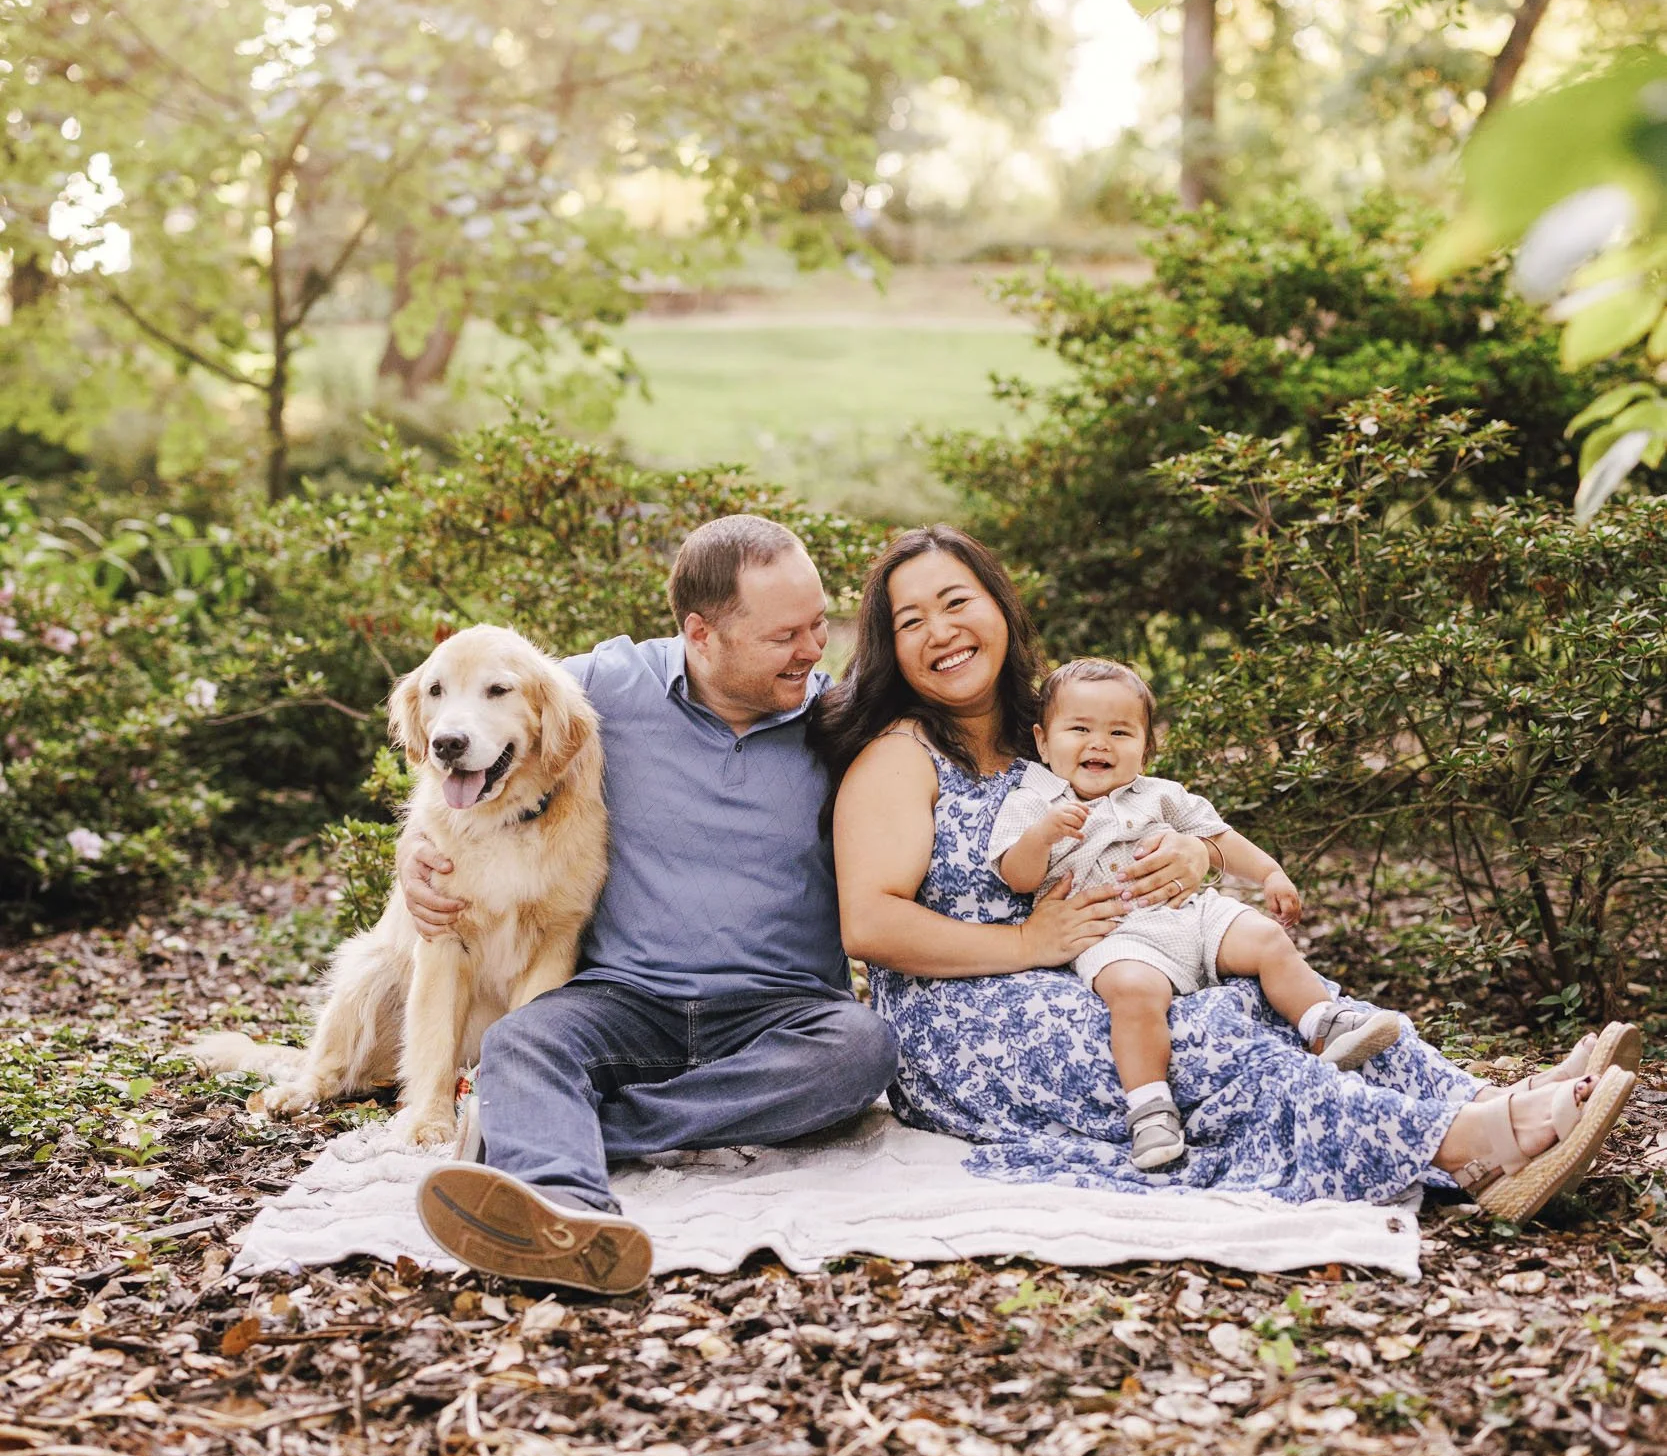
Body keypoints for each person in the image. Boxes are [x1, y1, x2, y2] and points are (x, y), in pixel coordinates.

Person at [823, 524, 1640, 1222]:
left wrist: (1198, 854)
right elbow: (870, 927)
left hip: (1102, 964)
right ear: (890, 647)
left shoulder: (1052, 725)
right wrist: (1031, 943)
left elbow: (1162, 808)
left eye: (956, 601)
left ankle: (1465, 1095)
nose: (940, 631)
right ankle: (1465, 1147)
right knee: (1205, 1044)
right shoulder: (901, 758)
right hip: (973, 1021)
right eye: (910, 619)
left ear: (998, 607)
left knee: (1261, 993)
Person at [404, 516, 900, 1293]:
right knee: (523, 1043)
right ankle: (568, 1217)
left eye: (816, 625)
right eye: (786, 637)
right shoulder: (603, 687)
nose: (815, 651)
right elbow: (470, 719)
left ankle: (577, 1131)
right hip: (625, 1000)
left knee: (861, 1048)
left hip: (777, 1010)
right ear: (701, 635)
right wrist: (416, 851)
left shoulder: (839, 720)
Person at [989, 657, 1401, 1171]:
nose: (1099, 744)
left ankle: (1323, 1023)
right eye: (1079, 729)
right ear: (1044, 742)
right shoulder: (1036, 802)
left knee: (1267, 940)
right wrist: (1043, 835)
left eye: (1120, 731)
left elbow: (1219, 838)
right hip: (1116, 934)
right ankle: (1150, 1110)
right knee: (1134, 995)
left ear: (1145, 747)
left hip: (1193, 914)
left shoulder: (1161, 794)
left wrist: (1270, 874)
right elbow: (1018, 876)